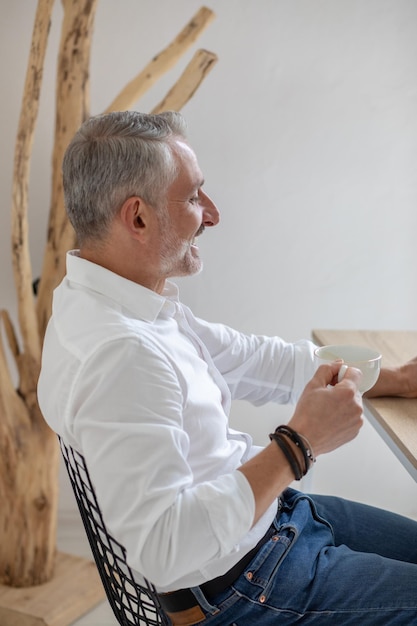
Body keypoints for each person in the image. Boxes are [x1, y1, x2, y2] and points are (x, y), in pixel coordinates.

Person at [38, 110, 417, 626]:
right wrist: (298, 444)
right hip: (246, 585)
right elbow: (164, 550)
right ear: (139, 218)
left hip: (273, 525)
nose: (212, 214)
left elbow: (250, 357)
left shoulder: (111, 300)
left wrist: (394, 379)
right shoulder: (122, 355)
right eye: (194, 197)